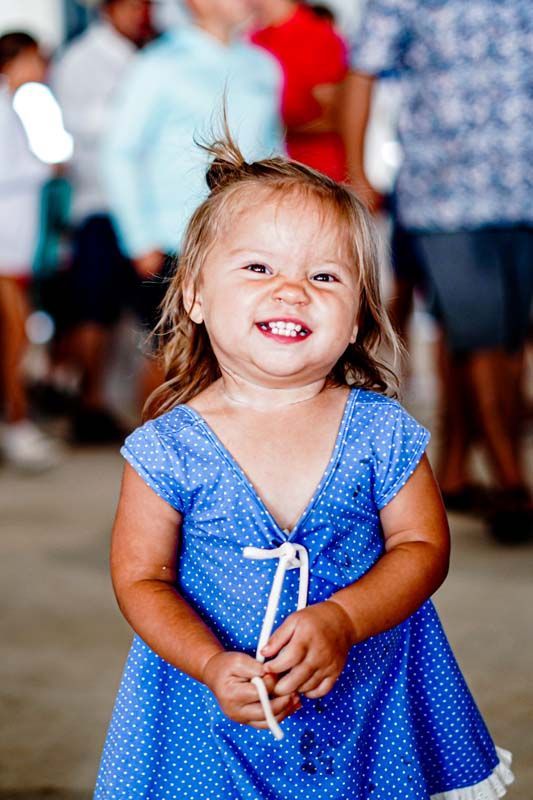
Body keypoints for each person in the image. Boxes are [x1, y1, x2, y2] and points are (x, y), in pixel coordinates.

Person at [94, 137, 514, 799]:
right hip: (211, 714)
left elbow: (423, 546)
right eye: (258, 267)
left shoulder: (379, 431)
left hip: (367, 704)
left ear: (356, 319)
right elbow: (141, 579)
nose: (291, 290)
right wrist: (209, 663)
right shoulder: (166, 449)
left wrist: (344, 619)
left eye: (324, 277)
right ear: (196, 296)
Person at [342, 0, 533, 542]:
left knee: (505, 340)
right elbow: (361, 71)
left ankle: (453, 472)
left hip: (524, 194)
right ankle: (512, 483)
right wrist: (358, 172)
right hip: (447, 197)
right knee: (481, 337)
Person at [101, 0, 283, 407]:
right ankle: (153, 446)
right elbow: (121, 152)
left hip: (249, 239)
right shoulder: (158, 64)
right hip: (175, 238)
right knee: (171, 360)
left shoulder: (263, 66)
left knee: (237, 357)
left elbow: (275, 153)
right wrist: (139, 239)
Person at [52, 0, 155, 443]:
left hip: (141, 205)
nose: (139, 15)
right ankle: (89, 404)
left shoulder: (145, 53)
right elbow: (72, 124)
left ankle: (117, 405)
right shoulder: (80, 59)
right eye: (131, 7)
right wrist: (133, 117)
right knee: (93, 308)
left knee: (135, 314)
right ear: (108, 9)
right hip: (99, 201)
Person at [0, 32, 60, 470]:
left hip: (14, 247)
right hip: (4, 248)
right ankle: (17, 426)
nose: (42, 68)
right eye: (35, 59)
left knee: (14, 336)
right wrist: (45, 168)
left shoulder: (11, 104)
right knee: (15, 336)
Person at [250, 0, 348, 181]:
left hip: (317, 173)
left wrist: (277, 128)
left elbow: (339, 116)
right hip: (268, 171)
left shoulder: (320, 37)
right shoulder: (252, 40)